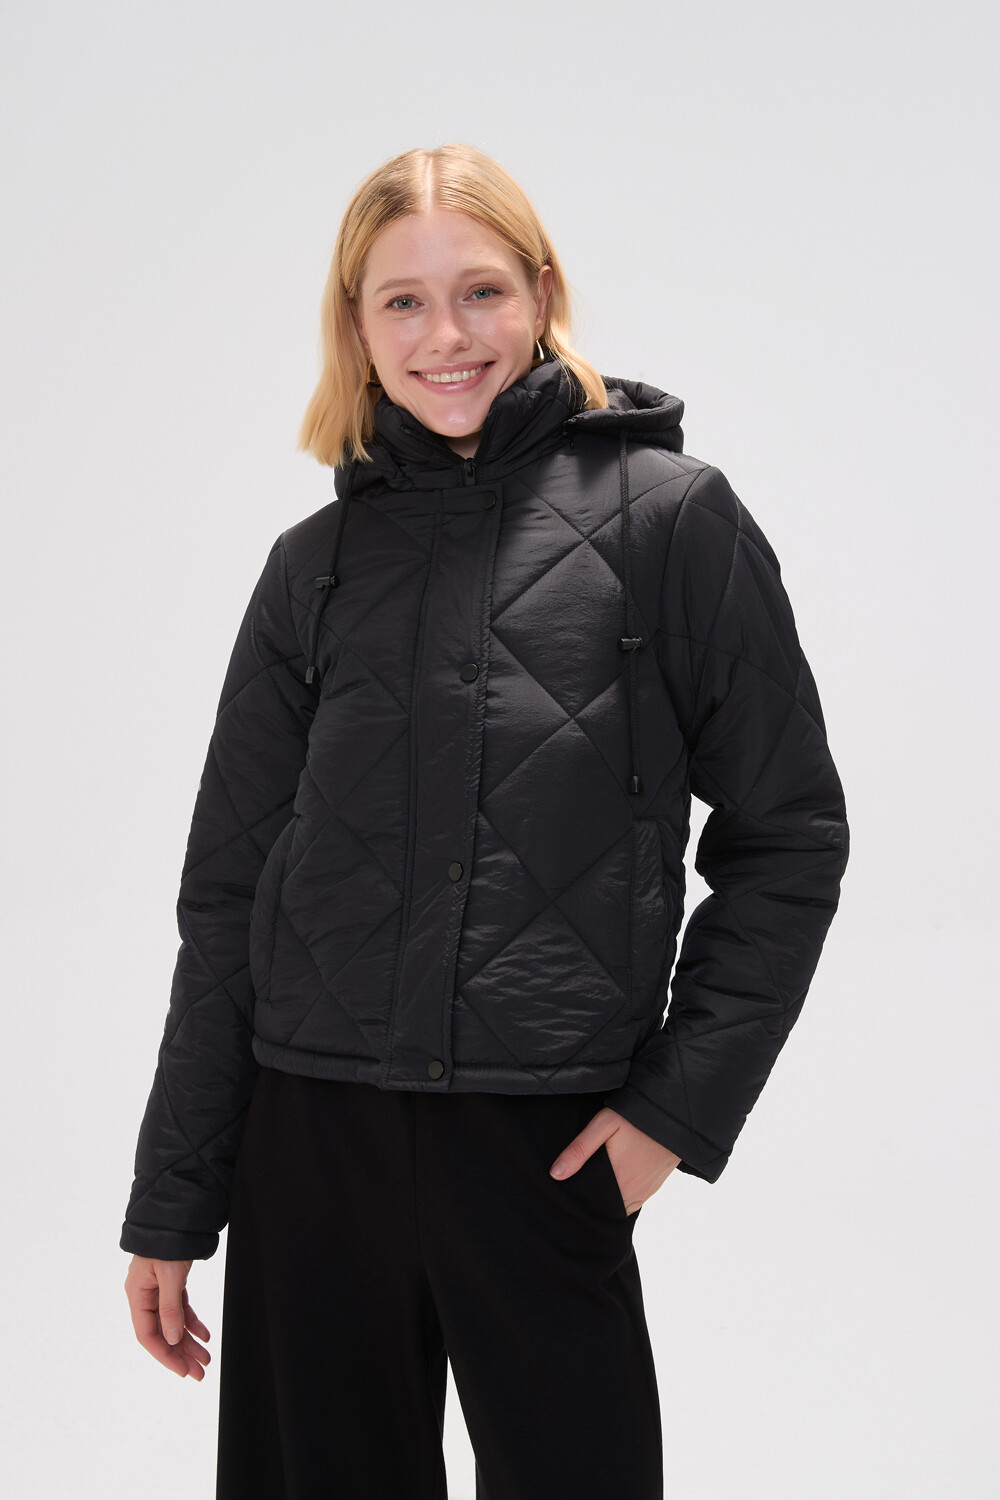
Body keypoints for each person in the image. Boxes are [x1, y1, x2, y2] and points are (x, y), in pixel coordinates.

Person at [121, 143, 850, 1499]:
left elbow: (789, 836)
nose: (444, 335)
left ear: (541, 295)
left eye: (480, 291)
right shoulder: (314, 568)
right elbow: (230, 896)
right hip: (309, 1139)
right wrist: (175, 1198)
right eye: (401, 301)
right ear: (356, 327)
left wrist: (674, 1112)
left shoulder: (672, 523)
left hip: (544, 1145)